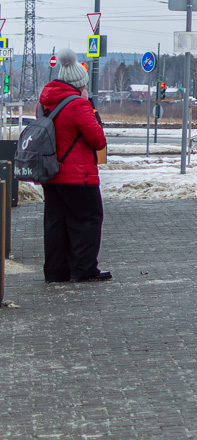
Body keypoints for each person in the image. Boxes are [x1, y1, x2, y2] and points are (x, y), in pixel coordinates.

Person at [39, 47, 109, 283]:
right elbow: (98, 140)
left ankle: (55, 273)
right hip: (79, 177)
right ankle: (83, 269)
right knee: (87, 220)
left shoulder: (45, 102)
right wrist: (89, 108)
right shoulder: (78, 105)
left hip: (50, 173)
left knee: (55, 223)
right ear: (79, 83)